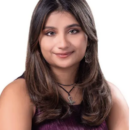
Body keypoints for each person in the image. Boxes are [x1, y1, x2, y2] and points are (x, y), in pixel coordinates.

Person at [0, 0, 129, 130]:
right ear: (37, 40)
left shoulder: (109, 95)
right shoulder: (18, 93)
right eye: (50, 33)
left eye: (73, 31)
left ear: (89, 36)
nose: (63, 44)